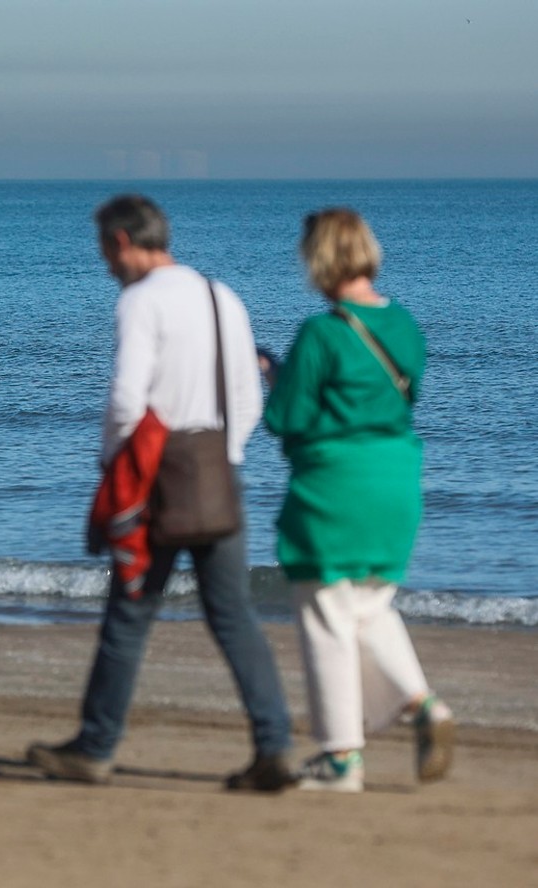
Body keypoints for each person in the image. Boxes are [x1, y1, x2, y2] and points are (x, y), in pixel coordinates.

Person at [26, 194, 295, 791]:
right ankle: (275, 744)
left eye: (103, 250)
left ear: (121, 242)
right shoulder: (220, 295)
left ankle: (96, 746)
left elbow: (127, 399)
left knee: (130, 613)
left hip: (154, 480)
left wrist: (112, 468)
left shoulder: (140, 301)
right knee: (233, 616)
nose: (104, 263)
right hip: (217, 472)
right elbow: (249, 397)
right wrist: (223, 457)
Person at [263, 208, 454, 792]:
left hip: (335, 484)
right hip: (396, 477)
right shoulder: (405, 325)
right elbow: (404, 395)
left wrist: (274, 374)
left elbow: (285, 418)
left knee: (325, 612)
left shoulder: (323, 333)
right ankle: (423, 706)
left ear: (318, 260)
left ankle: (342, 757)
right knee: (369, 603)